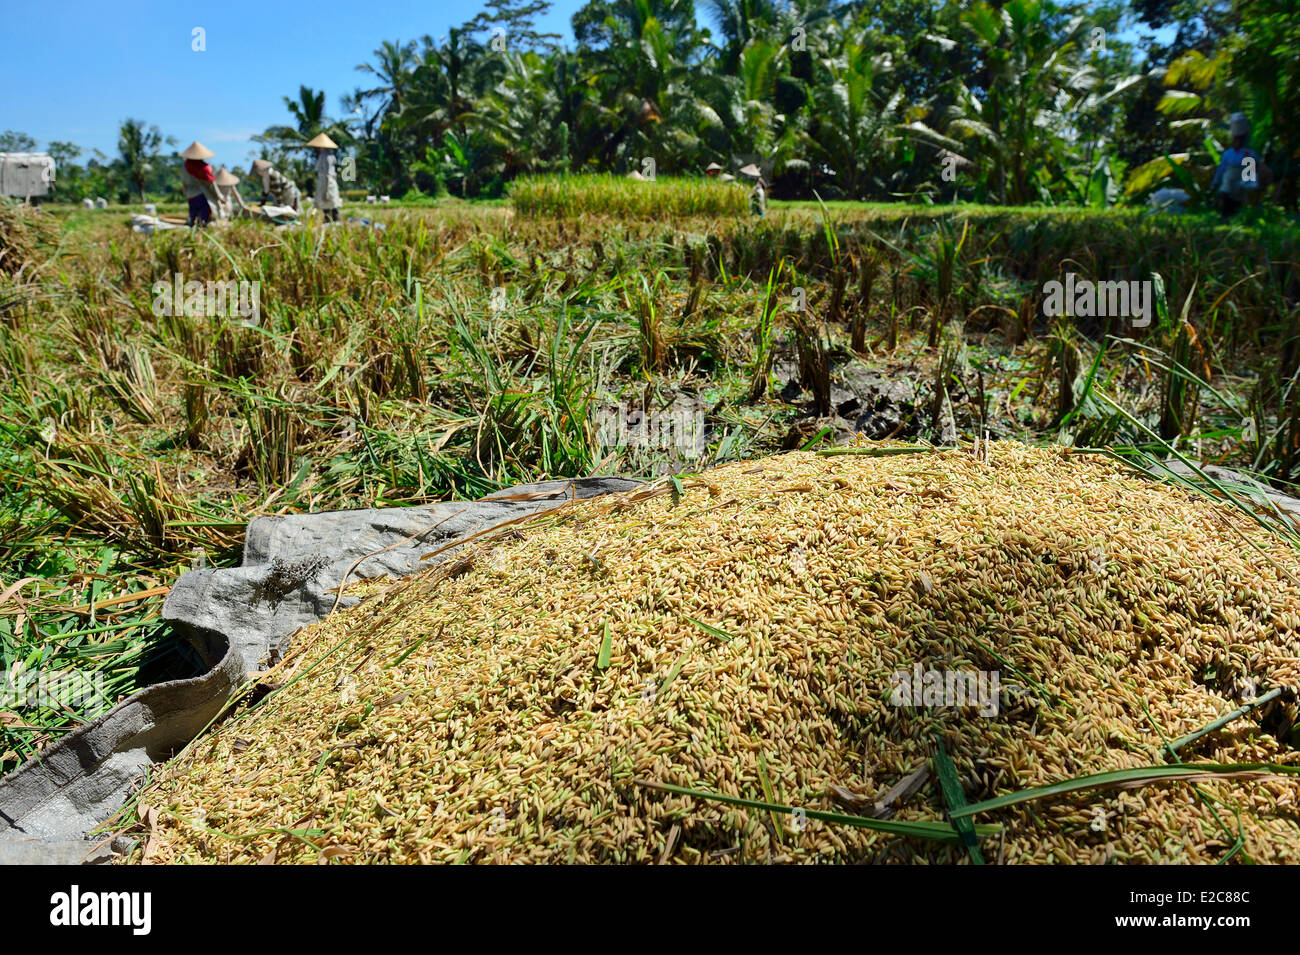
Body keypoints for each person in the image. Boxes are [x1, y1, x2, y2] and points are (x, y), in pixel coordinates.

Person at [1209, 113, 1272, 219]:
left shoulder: (1249, 154)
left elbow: (1250, 178)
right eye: (1235, 140)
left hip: (1241, 189)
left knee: (1237, 210)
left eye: (1239, 140)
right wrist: (1214, 184)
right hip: (1227, 187)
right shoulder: (1228, 154)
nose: (1237, 142)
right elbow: (1220, 170)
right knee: (1226, 208)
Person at [179, 141, 221, 227]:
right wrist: (218, 196)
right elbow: (210, 184)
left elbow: (183, 182)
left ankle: (192, 231)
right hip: (201, 194)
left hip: (190, 195)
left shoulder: (185, 166)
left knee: (193, 216)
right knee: (203, 218)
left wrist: (185, 193)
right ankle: (201, 232)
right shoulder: (204, 167)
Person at [306, 132, 342, 223]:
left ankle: (331, 221)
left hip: (326, 183)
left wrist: (325, 191)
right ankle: (332, 221)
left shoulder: (323, 157)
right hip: (329, 182)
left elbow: (326, 174)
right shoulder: (330, 156)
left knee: (327, 204)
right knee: (331, 204)